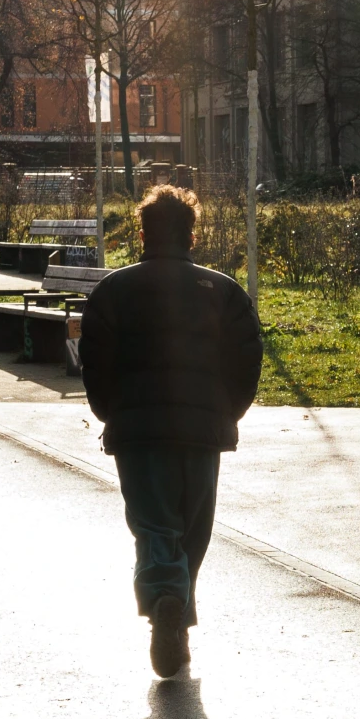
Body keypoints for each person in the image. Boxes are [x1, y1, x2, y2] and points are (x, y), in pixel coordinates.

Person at [79, 186, 262, 678]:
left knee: (155, 525)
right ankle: (176, 621)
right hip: (202, 430)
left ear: (142, 233)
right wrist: (227, 412)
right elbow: (247, 359)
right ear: (192, 234)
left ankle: (165, 598)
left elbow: (94, 360)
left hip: (138, 431)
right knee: (193, 529)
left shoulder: (114, 290)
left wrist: (110, 411)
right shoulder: (221, 291)